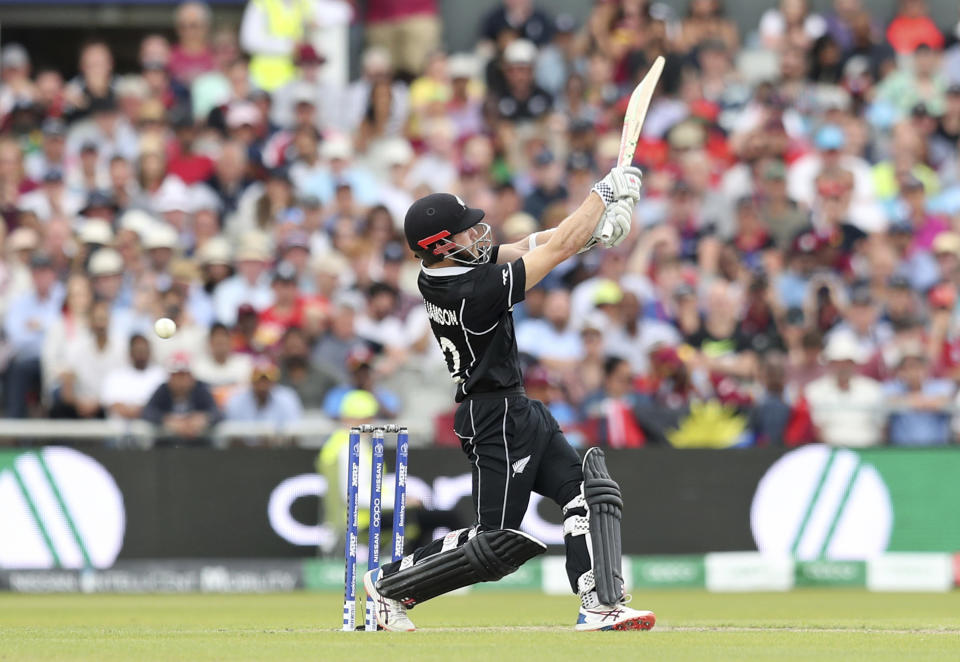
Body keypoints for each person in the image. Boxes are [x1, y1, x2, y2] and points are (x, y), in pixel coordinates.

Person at [361, 166, 654, 632]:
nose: (478, 234)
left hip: (517, 406)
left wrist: (595, 234)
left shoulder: (444, 268)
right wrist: (600, 195)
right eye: (465, 231)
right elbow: (554, 252)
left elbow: (529, 245)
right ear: (440, 245)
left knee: (587, 492)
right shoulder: (469, 291)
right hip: (492, 415)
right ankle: (388, 585)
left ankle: (600, 603)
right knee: (494, 542)